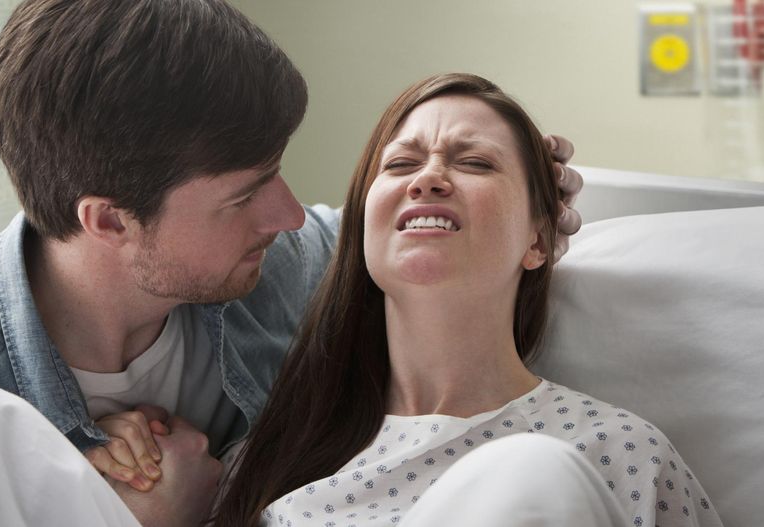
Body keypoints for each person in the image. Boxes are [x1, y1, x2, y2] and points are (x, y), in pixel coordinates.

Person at [0, 0, 582, 522]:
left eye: (276, 173)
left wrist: (524, 205)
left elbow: (388, 242)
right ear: (109, 220)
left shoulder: (279, 264)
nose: (289, 215)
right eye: (246, 194)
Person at [213, 73, 723, 527]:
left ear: (538, 241)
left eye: (475, 163)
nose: (427, 179)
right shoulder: (268, 461)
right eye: (401, 164)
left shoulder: (620, 453)